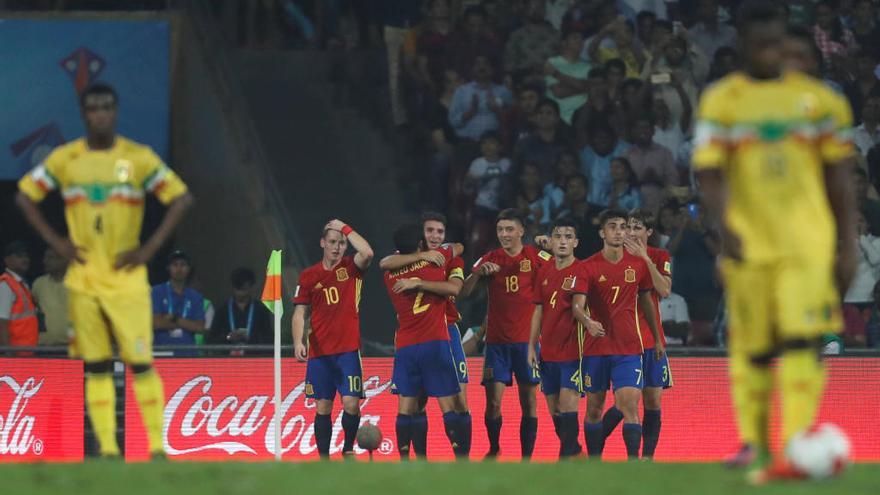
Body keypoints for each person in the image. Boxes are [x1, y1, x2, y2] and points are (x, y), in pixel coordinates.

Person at [693, 3, 857, 482]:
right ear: (742, 45)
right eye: (760, 43)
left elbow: (840, 176)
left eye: (777, 42)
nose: (771, 51)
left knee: (803, 338)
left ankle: (798, 443)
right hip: (748, 242)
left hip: (807, 241)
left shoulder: (819, 101)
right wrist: (725, 229)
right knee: (753, 345)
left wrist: (846, 244)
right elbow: (710, 174)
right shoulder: (722, 101)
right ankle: (753, 441)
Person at [15, 83, 194, 458]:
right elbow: (25, 194)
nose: (101, 114)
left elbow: (181, 197)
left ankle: (158, 447)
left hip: (127, 281)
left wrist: (148, 250)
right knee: (96, 365)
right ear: (84, 114)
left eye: (107, 107)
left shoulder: (138, 158)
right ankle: (110, 451)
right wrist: (57, 242)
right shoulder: (67, 159)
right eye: (93, 108)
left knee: (141, 362)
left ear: (115, 111)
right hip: (84, 280)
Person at [460, 209, 552, 459]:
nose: (504, 234)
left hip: (527, 344)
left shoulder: (535, 255)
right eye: (500, 230)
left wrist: (551, 245)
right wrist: (477, 274)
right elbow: (464, 292)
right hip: (497, 344)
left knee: (529, 402)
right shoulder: (489, 258)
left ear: (522, 231)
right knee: (493, 403)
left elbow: (564, 266)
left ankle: (526, 458)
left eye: (509, 229)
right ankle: (494, 447)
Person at [378, 212, 467, 459]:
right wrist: (423, 266)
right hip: (435, 341)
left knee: (407, 405)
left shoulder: (390, 275)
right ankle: (460, 456)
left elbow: (384, 263)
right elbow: (458, 251)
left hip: (406, 345)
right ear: (420, 241)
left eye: (439, 232)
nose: (434, 238)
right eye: (429, 232)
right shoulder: (435, 263)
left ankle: (408, 460)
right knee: (448, 403)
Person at [580, 209, 662, 460]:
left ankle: (633, 464)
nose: (619, 231)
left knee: (629, 405)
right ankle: (595, 462)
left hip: (628, 349)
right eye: (613, 226)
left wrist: (657, 338)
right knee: (594, 410)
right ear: (602, 233)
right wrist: (587, 322)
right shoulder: (587, 266)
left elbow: (647, 301)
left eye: (623, 226)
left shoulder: (638, 264)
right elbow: (577, 305)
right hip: (596, 348)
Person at [291, 219, 374, 459]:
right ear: (322, 243)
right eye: (332, 242)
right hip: (319, 352)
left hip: (348, 350)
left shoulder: (351, 268)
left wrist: (344, 227)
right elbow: (299, 313)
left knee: (351, 404)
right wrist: (298, 341)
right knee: (323, 407)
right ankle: (324, 460)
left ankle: (348, 449)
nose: (336, 247)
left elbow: (367, 251)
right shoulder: (308, 276)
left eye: (341, 243)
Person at [527, 217, 603, 457]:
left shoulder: (580, 270)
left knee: (569, 408)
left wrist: (589, 323)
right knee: (555, 411)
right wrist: (531, 347)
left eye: (568, 237)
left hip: (572, 352)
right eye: (558, 236)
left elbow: (577, 306)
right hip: (547, 352)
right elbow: (538, 309)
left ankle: (566, 460)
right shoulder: (545, 271)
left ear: (576, 243)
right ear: (551, 241)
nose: (562, 241)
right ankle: (576, 452)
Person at [151, 249, 206, 357]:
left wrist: (174, 318)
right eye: (175, 265)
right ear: (168, 268)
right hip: (162, 354)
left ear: (189, 269)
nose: (179, 269)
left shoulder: (196, 296)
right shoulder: (157, 291)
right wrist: (187, 323)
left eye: (183, 265)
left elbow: (199, 328)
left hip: (188, 355)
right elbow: (155, 323)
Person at [448, 55, 513, 142]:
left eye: (485, 64)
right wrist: (471, 111)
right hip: (468, 142)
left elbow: (512, 122)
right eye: (478, 64)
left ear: (492, 68)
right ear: (472, 69)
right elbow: (453, 121)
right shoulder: (461, 91)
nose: (482, 67)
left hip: (496, 144)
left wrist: (497, 110)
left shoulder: (504, 91)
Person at [624, 114, 679, 213]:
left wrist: (657, 179)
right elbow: (620, 184)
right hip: (633, 210)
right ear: (633, 131)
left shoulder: (664, 153)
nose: (643, 131)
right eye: (638, 128)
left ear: (653, 131)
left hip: (659, 210)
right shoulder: (627, 154)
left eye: (646, 127)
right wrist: (640, 180)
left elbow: (675, 182)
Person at [211, 267, 274, 349]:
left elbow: (269, 339)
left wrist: (250, 337)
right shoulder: (223, 310)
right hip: (228, 357)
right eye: (237, 289)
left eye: (244, 289)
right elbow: (212, 339)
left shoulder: (260, 310)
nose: (240, 293)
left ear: (252, 287)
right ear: (232, 287)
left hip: (255, 356)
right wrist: (229, 337)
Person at [545, 29, 590, 125]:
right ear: (564, 43)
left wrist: (557, 74)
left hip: (582, 119)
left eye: (581, 39)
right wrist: (583, 86)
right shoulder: (552, 62)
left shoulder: (588, 66)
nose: (579, 41)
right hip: (559, 119)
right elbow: (559, 92)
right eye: (575, 38)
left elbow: (589, 87)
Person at [0, 241, 37, 349]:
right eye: (19, 256)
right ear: (7, 260)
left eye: (26, 256)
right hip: (15, 353)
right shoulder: (5, 285)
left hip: (27, 351)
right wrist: (9, 354)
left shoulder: (22, 284)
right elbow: (2, 323)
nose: (25, 260)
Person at [32, 246, 70, 346]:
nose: (45, 261)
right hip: (45, 346)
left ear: (63, 260)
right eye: (45, 258)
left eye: (50, 258)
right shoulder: (39, 284)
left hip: (72, 347)